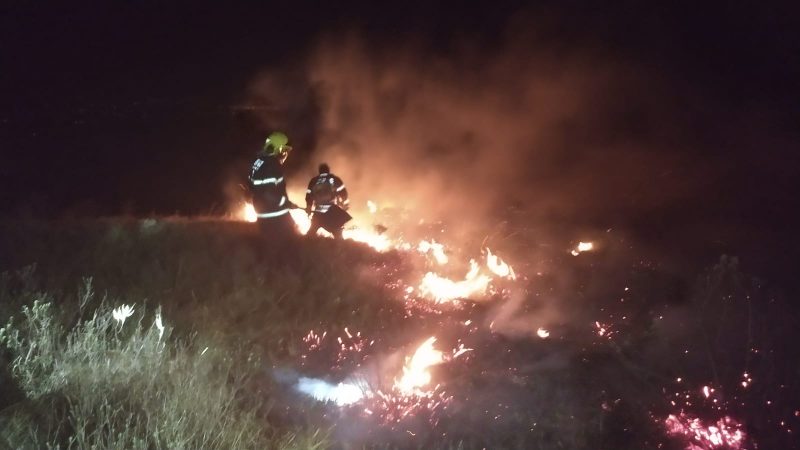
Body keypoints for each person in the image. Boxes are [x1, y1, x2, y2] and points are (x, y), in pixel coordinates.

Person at [249, 132, 298, 239]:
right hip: (276, 217)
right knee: (292, 248)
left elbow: (257, 189)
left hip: (263, 215)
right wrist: (285, 204)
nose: (286, 154)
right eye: (285, 150)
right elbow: (270, 193)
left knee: (271, 249)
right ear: (279, 149)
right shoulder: (272, 165)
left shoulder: (258, 162)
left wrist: (288, 204)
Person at [305, 163, 351, 238]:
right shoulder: (335, 179)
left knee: (311, 232)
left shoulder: (314, 180)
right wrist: (345, 205)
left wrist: (309, 207)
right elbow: (343, 193)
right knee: (337, 233)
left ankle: (305, 243)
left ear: (319, 171)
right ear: (328, 170)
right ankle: (340, 246)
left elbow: (309, 196)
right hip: (332, 211)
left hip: (318, 211)